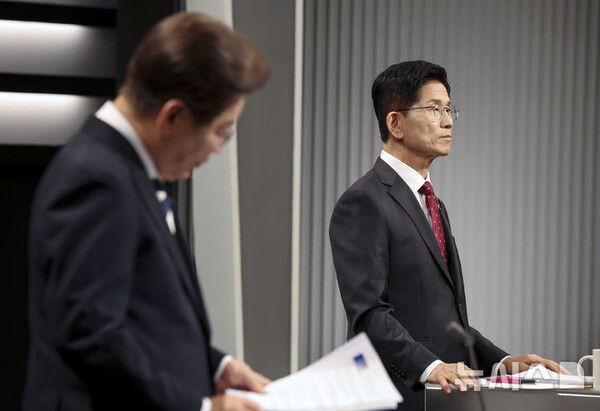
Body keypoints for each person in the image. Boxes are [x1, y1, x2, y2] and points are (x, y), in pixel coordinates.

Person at [24, 12, 270, 411]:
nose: (218, 150)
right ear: (173, 116)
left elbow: (145, 320)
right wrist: (203, 408)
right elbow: (93, 337)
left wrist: (216, 365)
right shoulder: (98, 179)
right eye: (220, 132)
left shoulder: (124, 170)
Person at [329, 60, 562, 410]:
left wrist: (502, 362)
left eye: (450, 109)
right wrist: (431, 367)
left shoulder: (433, 203)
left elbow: (446, 321)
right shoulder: (364, 201)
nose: (449, 121)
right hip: (398, 397)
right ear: (395, 123)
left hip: (445, 398)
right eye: (434, 109)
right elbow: (368, 315)